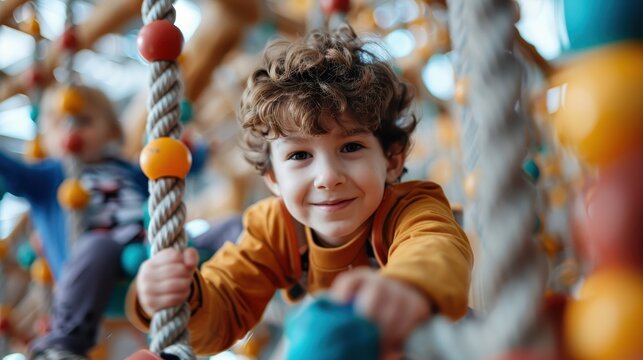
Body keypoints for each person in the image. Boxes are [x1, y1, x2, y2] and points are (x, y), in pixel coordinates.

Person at [128, 24, 473, 357]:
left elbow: (435, 245)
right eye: (300, 155)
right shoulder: (276, 229)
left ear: (392, 159)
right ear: (273, 179)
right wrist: (178, 296)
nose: (328, 177)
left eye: (351, 147)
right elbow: (225, 306)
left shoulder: (410, 208)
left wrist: (407, 286)